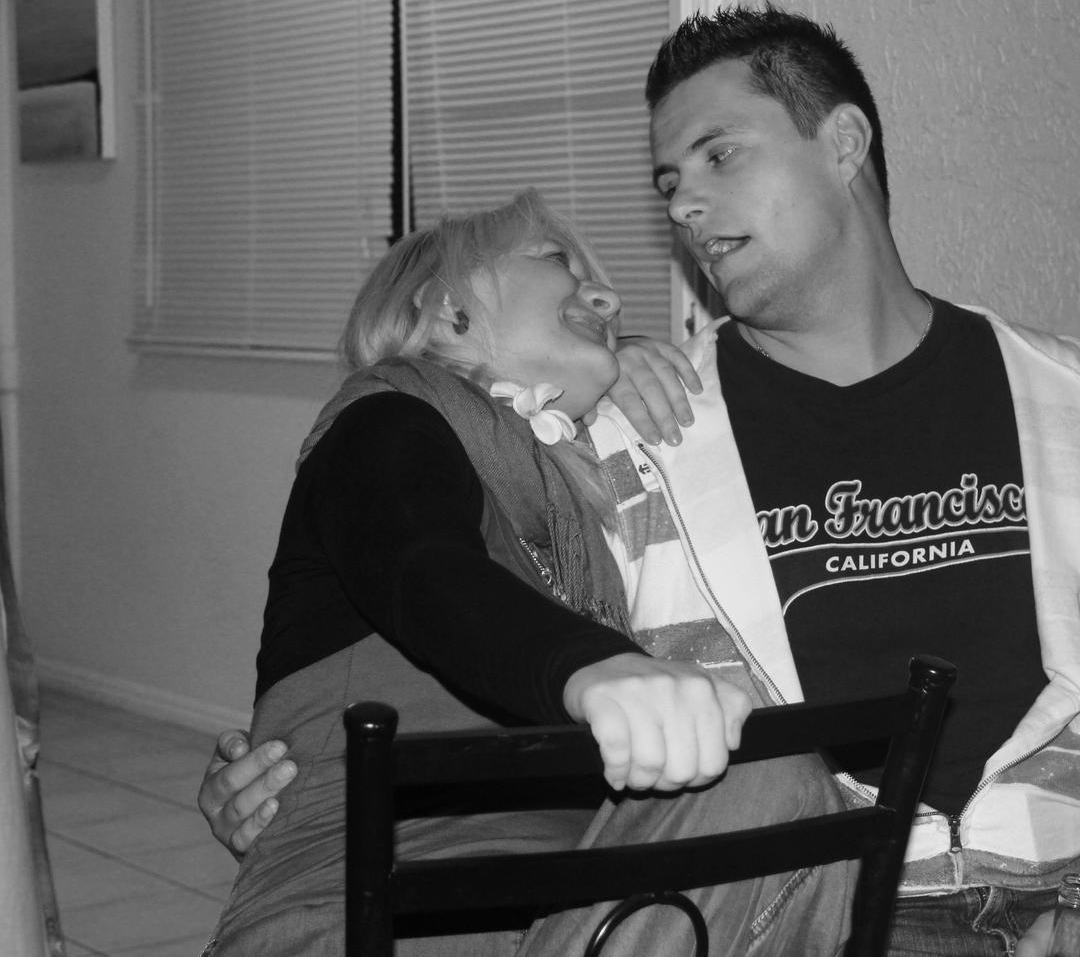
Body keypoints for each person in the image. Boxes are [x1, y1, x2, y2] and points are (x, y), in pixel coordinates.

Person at [202, 7, 1080, 957]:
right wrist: (283, 772)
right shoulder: (627, 443)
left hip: (1076, 901)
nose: (685, 210)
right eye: (669, 185)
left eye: (719, 155)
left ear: (843, 143)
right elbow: (437, 579)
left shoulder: (1066, 397)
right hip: (812, 902)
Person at [200, 187, 858, 957]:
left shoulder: (578, 507)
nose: (607, 298)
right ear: (448, 309)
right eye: (557, 263)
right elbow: (425, 573)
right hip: (371, 910)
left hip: (564, 911)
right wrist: (596, 670)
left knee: (782, 783)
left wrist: (620, 356)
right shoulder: (380, 427)